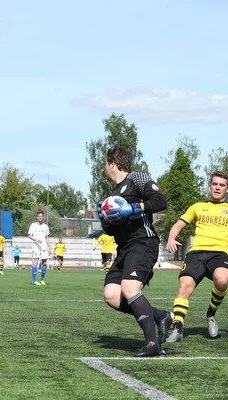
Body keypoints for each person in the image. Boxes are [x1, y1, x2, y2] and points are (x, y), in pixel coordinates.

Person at [97, 145, 173, 357]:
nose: (105, 167)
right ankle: (160, 316)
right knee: (111, 295)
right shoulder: (111, 195)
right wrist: (105, 219)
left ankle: (152, 343)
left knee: (130, 289)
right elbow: (111, 231)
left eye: (106, 163)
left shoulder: (137, 178)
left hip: (142, 243)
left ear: (112, 163)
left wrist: (134, 208)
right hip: (124, 249)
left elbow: (160, 201)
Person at [165, 171, 228, 343]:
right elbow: (177, 225)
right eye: (215, 184)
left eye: (222, 185)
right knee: (185, 285)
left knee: (222, 280)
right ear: (210, 185)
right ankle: (177, 328)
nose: (218, 187)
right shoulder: (197, 207)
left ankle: (211, 314)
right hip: (196, 253)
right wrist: (171, 237)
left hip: (219, 254)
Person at [28, 211, 51, 285]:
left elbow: (47, 237)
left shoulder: (45, 226)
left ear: (43, 217)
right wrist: (36, 240)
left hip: (44, 246)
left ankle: (42, 280)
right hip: (36, 246)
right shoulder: (33, 225)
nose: (40, 217)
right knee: (36, 262)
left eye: (41, 216)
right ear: (37, 217)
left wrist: (49, 248)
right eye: (39, 216)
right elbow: (29, 235)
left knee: (44, 263)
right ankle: (34, 280)